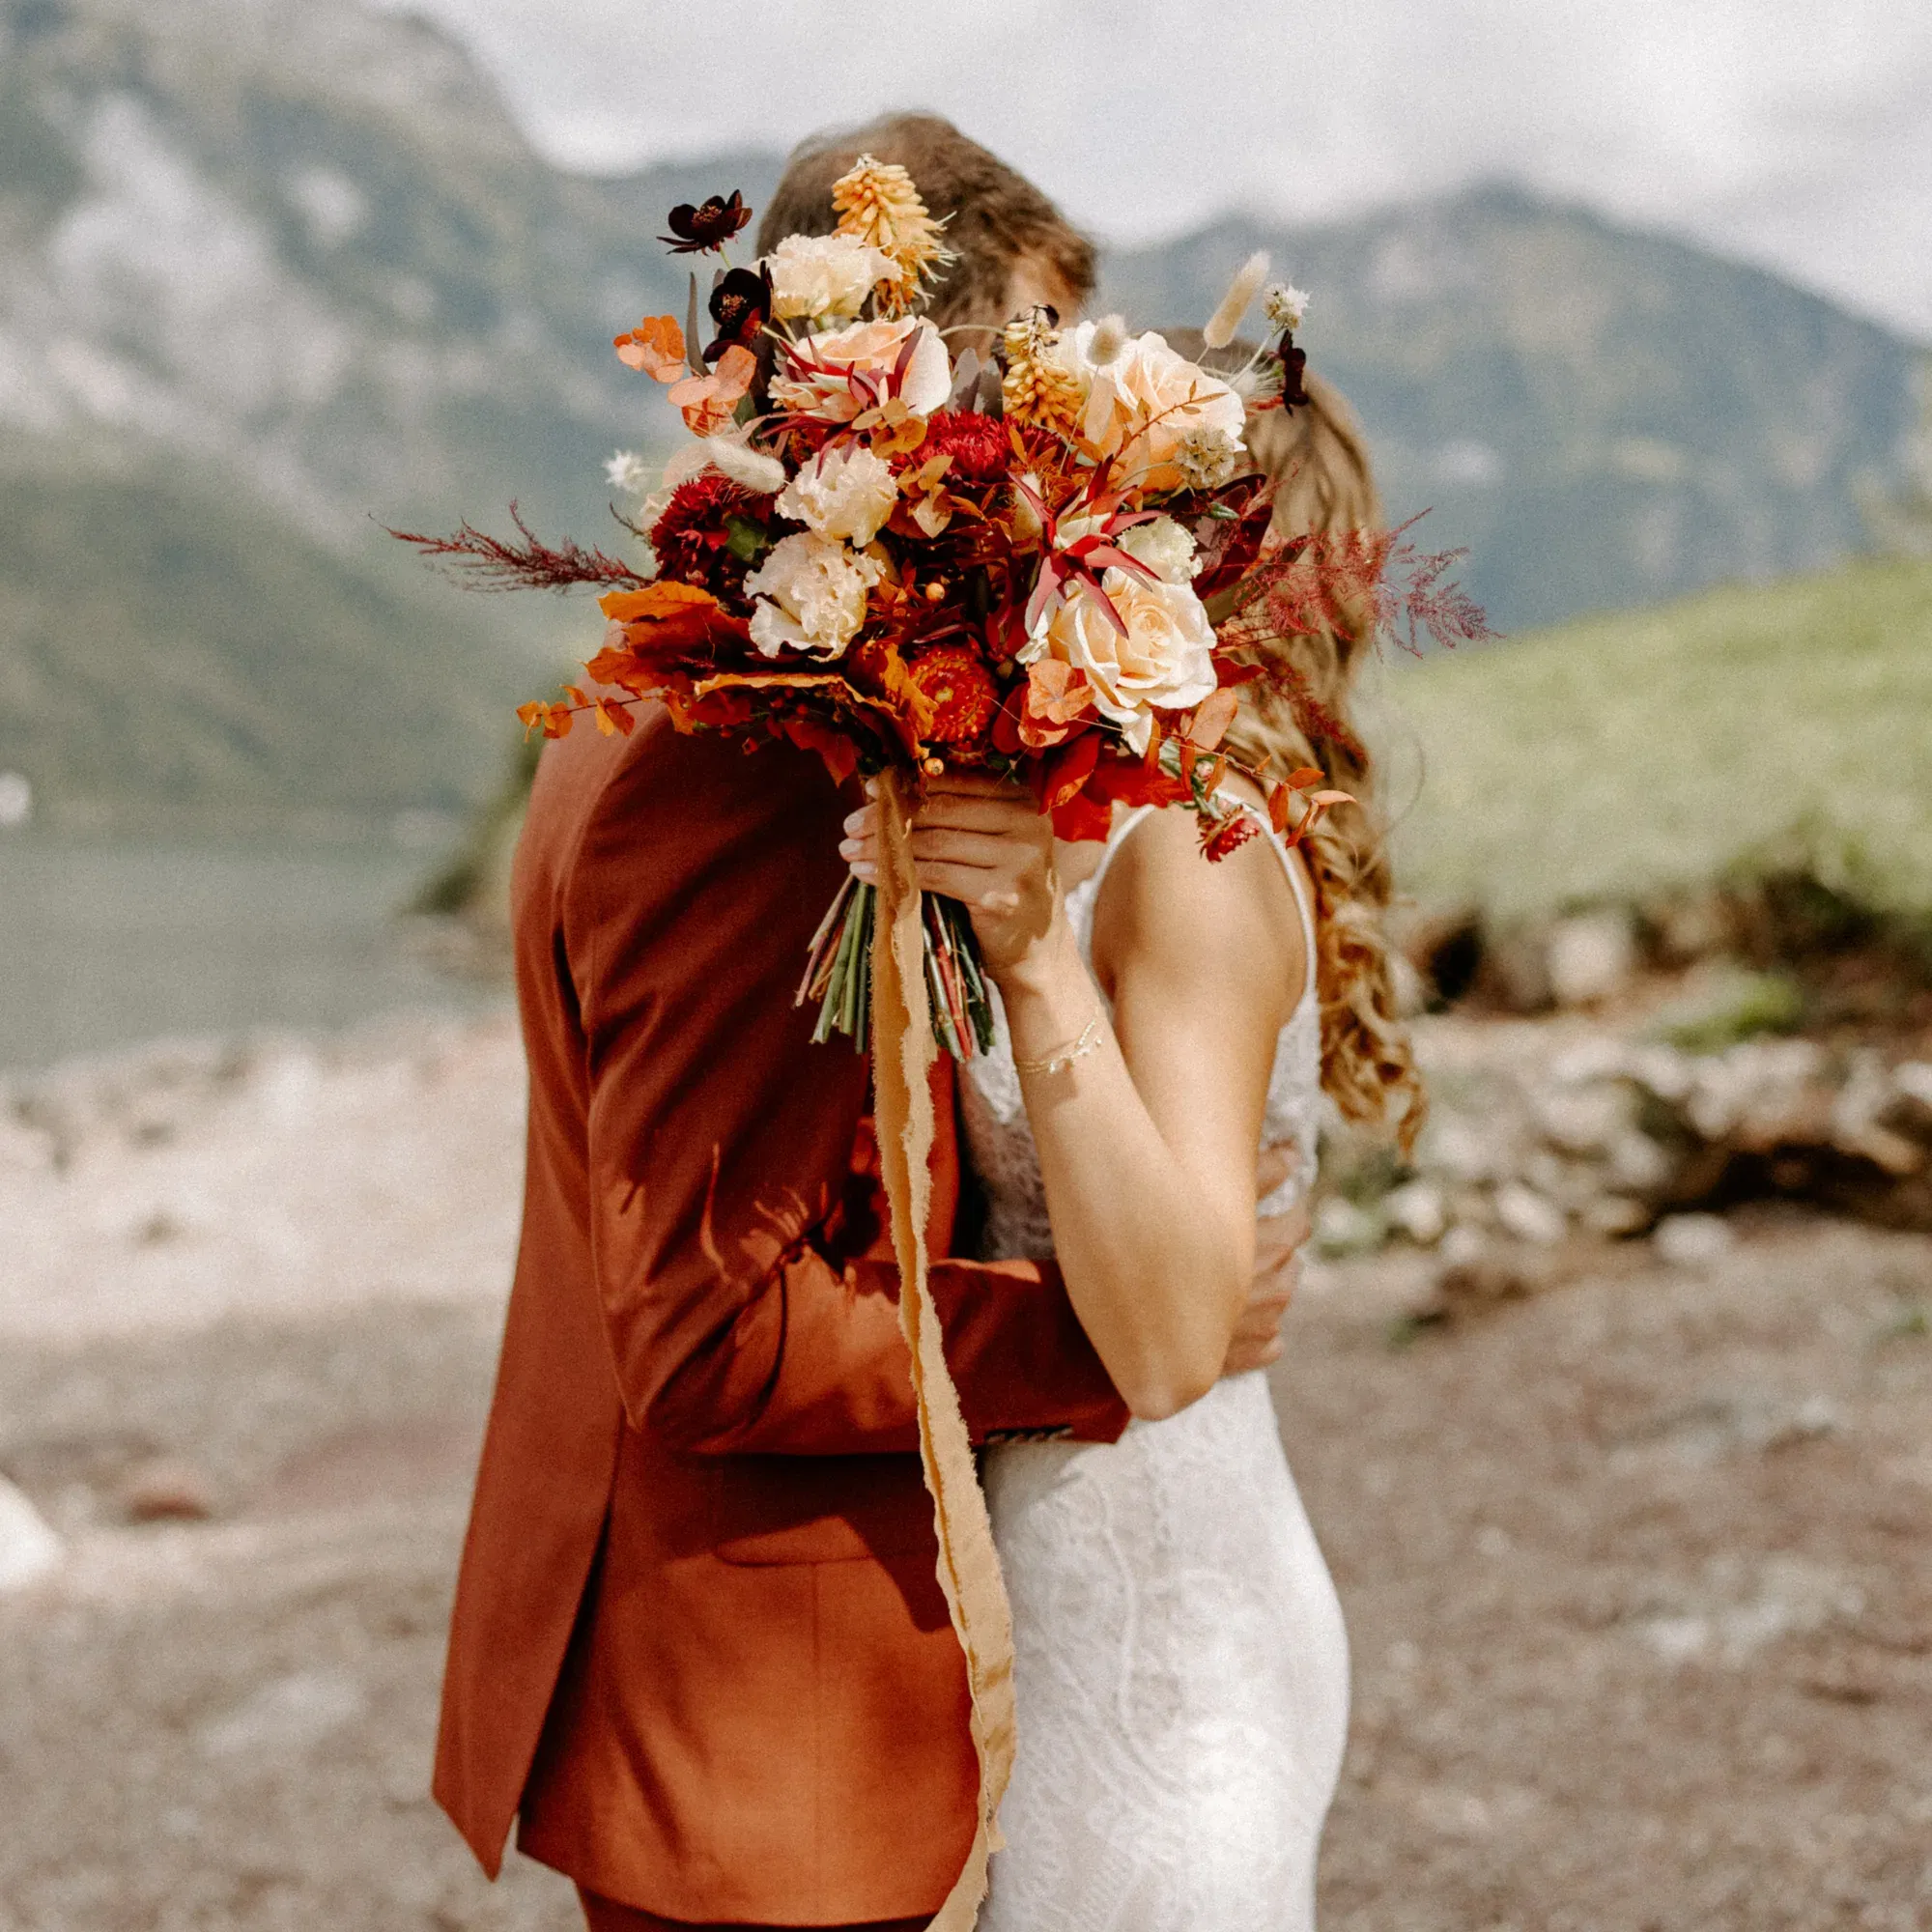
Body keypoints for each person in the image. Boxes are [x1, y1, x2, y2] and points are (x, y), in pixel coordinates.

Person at [431, 114, 1312, 1932]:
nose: (1075, 441)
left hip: (746, 1710)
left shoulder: (662, 679)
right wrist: (1114, 1346)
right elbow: (709, 1335)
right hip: (775, 1739)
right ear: (941, 385)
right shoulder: (748, 756)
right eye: (1049, 375)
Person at [839, 346, 1419, 1926]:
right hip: (1071, 1584)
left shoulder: (1190, 859)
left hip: (1161, 1615)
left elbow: (1166, 1340)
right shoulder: (1119, 821)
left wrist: (1030, 962)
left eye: (1092, 507)